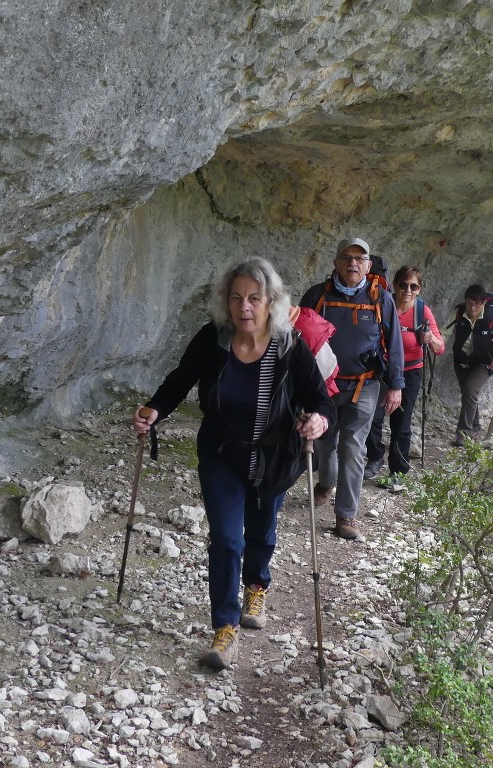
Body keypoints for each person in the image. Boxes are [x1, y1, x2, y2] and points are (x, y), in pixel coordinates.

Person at [133, 259, 335, 671]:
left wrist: (319, 419)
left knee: (261, 531)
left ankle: (257, 584)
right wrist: (155, 409)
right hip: (222, 452)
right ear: (227, 302)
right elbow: (181, 378)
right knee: (227, 539)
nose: (245, 307)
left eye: (254, 298)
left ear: (271, 302)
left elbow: (321, 399)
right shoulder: (214, 340)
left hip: (275, 454)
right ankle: (225, 628)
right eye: (237, 297)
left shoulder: (288, 344)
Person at [299, 237, 404, 541]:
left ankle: (346, 514)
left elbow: (394, 344)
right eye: (347, 257)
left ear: (369, 265)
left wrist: (396, 385)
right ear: (336, 263)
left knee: (353, 447)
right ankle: (325, 484)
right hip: (323, 386)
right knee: (325, 442)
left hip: (364, 384)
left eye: (360, 258)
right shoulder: (317, 296)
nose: (353, 263)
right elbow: (299, 340)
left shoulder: (381, 298)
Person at [364, 265, 445, 489]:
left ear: (419, 289)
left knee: (401, 422)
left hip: (410, 372)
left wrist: (430, 339)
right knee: (373, 416)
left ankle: (397, 471)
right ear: (395, 285)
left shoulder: (422, 311)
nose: (408, 290)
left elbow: (440, 348)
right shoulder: (383, 304)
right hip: (382, 370)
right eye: (403, 284)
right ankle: (375, 457)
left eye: (413, 286)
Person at [446, 283, 493, 446]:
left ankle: (464, 433)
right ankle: (475, 428)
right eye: (470, 303)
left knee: (470, 390)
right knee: (468, 394)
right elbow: (444, 331)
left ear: (483, 303)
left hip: (486, 361)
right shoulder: (459, 312)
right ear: (466, 301)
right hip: (462, 360)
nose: (473, 307)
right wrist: (436, 341)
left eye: (477, 304)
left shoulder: (491, 316)